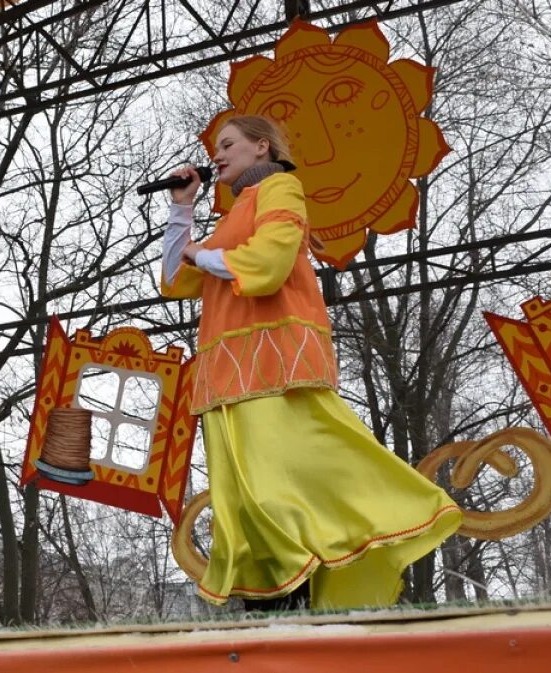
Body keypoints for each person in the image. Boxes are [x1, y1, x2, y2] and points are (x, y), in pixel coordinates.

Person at [160, 115, 462, 611]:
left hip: (272, 360)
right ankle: (271, 596)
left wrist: (202, 255)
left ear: (262, 147)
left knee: (282, 480)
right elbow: (175, 277)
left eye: (228, 144)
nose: (217, 154)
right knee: (240, 496)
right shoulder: (230, 219)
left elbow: (268, 262)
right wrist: (182, 211)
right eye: (216, 147)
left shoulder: (282, 188)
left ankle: (326, 559)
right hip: (225, 370)